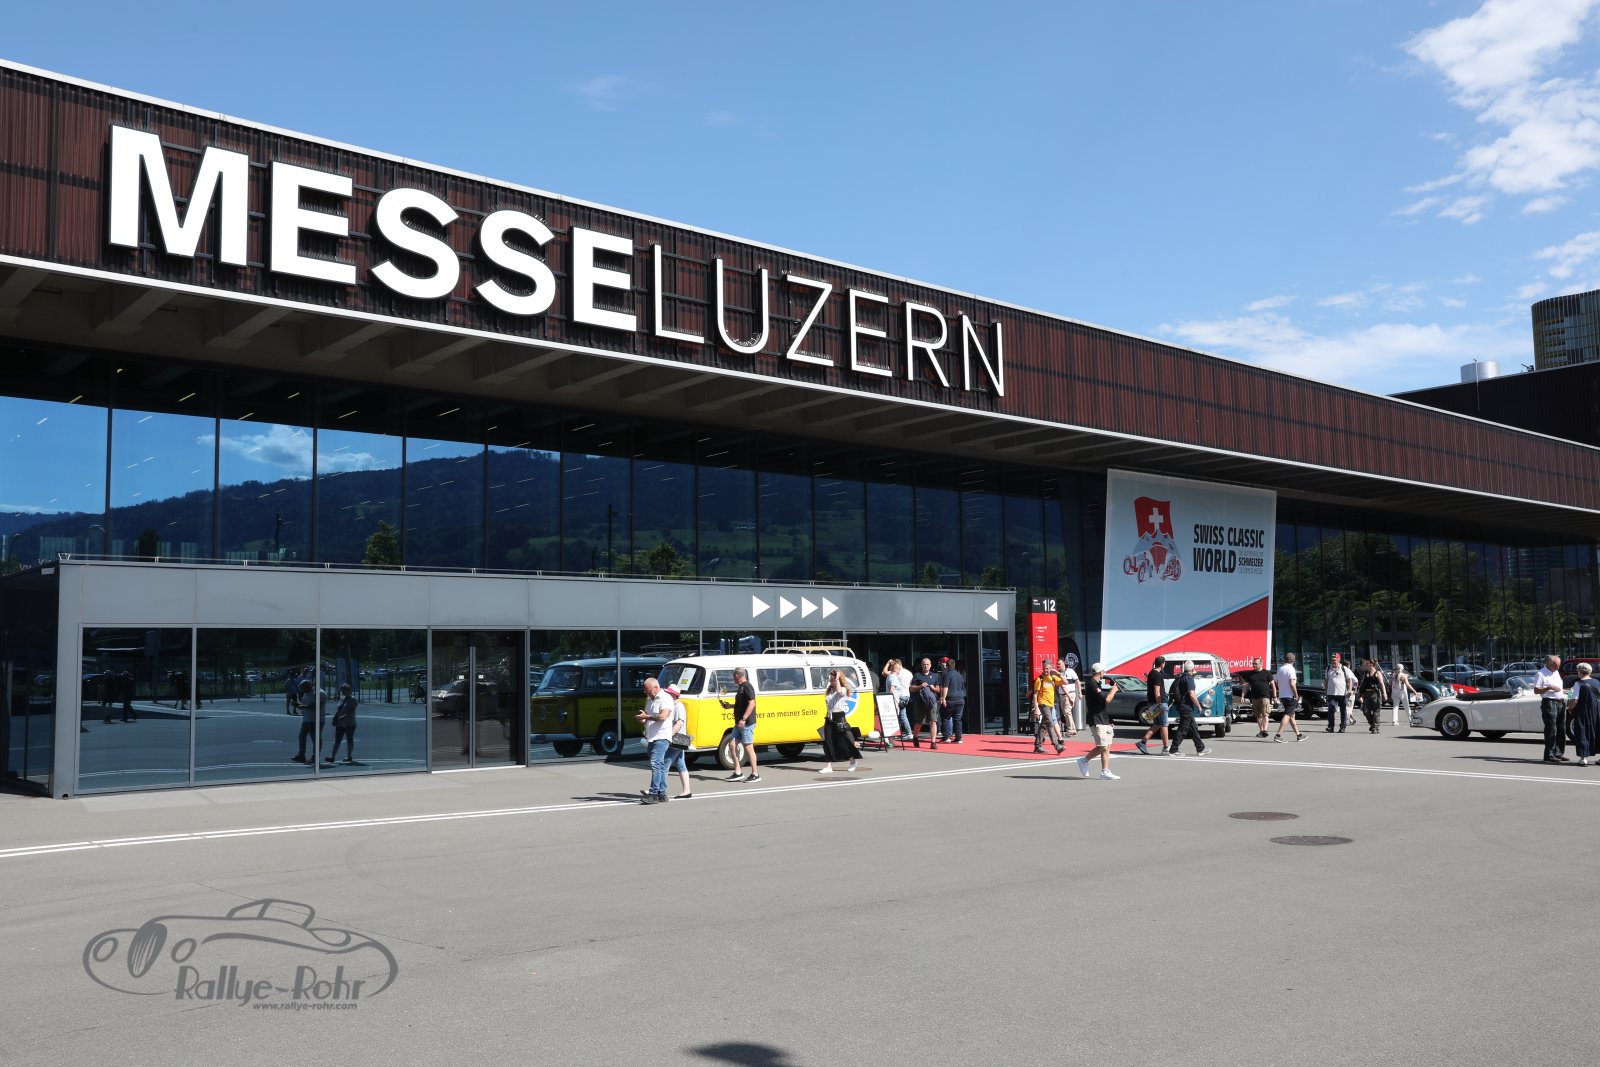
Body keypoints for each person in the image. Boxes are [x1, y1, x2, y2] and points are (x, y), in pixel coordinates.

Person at [1075, 663, 1120, 779]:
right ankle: (1084, 760)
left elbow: (1102, 703)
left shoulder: (1097, 684)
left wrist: (1109, 720)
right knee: (1103, 746)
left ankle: (1105, 771)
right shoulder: (1092, 684)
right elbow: (1107, 699)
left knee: (1107, 746)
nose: (1104, 673)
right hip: (1096, 719)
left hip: (1104, 718)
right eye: (1103, 671)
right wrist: (1114, 690)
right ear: (1100, 672)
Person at [636, 677, 676, 804]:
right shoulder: (650, 700)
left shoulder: (665, 698)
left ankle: (653, 794)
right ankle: (662, 794)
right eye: (645, 691)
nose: (647, 693)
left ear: (656, 687)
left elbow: (663, 716)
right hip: (652, 737)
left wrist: (647, 717)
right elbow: (648, 716)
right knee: (660, 765)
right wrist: (643, 719)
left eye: (648, 690)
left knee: (656, 764)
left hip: (661, 737)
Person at [719, 667, 761, 782]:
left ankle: (755, 774)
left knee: (748, 747)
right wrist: (730, 706)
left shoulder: (747, 686)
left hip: (746, 723)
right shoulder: (741, 687)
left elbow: (752, 703)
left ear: (737, 675)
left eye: (733, 676)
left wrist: (744, 718)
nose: (733, 678)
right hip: (738, 723)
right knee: (732, 745)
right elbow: (741, 704)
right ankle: (738, 772)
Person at [818, 668, 863, 774]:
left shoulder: (843, 690)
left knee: (842, 741)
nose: (830, 681)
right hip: (829, 717)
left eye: (832, 679)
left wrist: (837, 678)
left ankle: (852, 760)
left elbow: (839, 691)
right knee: (827, 741)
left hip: (839, 717)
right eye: (830, 679)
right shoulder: (830, 690)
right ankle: (829, 766)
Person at [1166, 660, 1209, 756]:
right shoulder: (1189, 679)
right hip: (1186, 707)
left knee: (1193, 728)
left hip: (1182, 706)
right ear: (1193, 669)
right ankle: (1173, 749)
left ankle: (1200, 748)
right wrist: (1198, 706)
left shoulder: (1181, 677)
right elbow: (1192, 694)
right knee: (1183, 729)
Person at [1534, 655, 1569, 764]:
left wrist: (1567, 691)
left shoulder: (1556, 672)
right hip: (1550, 702)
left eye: (1558, 665)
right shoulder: (1541, 674)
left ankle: (1558, 753)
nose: (1558, 667)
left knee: (1561, 729)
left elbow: (1558, 688)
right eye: (1556, 665)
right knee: (1551, 729)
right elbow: (1536, 690)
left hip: (1560, 702)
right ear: (1549, 664)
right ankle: (1549, 754)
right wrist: (1548, 688)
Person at [1135, 655, 1169, 756]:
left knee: (1157, 724)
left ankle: (1142, 742)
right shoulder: (1157, 675)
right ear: (1162, 664)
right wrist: (1160, 705)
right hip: (1158, 703)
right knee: (1164, 724)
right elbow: (1157, 691)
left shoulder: (1151, 673)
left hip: (1151, 702)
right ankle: (1166, 748)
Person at [1031, 656, 1065, 755]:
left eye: (1047, 668)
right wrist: (1036, 708)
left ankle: (1037, 746)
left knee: (1044, 725)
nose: (1045, 670)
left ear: (1051, 669)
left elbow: (1065, 682)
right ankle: (1057, 746)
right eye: (1044, 668)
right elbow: (1035, 694)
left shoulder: (1053, 678)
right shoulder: (1039, 679)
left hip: (1050, 705)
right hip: (1043, 704)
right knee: (1050, 723)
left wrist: (1058, 673)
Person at [664, 684, 693, 798]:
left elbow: (679, 723)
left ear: (673, 695)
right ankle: (687, 791)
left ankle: (658, 790)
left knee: (664, 764)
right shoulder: (673, 705)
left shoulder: (678, 706)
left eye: (668, 692)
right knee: (681, 764)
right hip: (678, 741)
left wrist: (668, 735)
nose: (666, 694)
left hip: (676, 740)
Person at [1567, 664, 1600, 766]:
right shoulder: (1597, 682)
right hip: (1596, 710)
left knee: (1582, 733)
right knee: (1597, 731)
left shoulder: (1578, 684)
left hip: (1583, 710)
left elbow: (1575, 700)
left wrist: (1570, 708)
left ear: (1580, 672)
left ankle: (1583, 758)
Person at [909, 656, 942, 749]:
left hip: (932, 702)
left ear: (930, 665)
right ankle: (915, 737)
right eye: (924, 664)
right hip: (920, 701)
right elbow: (911, 688)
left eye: (927, 664)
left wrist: (934, 688)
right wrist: (920, 686)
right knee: (919, 722)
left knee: (933, 721)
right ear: (921, 665)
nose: (926, 666)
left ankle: (933, 742)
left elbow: (938, 689)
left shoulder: (935, 676)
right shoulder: (917, 675)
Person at [1239, 657, 1276, 738]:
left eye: (1256, 663)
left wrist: (1275, 696)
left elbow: (1273, 685)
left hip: (1265, 697)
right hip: (1255, 697)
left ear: (1261, 664)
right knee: (1258, 715)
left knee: (1265, 714)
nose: (1254, 665)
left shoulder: (1267, 673)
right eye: (1253, 663)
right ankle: (1261, 731)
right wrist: (1242, 696)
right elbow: (1246, 686)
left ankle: (1265, 730)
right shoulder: (1251, 674)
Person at [1274, 653, 1305, 742]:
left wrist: (1281, 689)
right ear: (1293, 660)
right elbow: (1292, 683)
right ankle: (1278, 735)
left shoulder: (1280, 669)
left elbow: (1277, 682)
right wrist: (1296, 694)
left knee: (1291, 715)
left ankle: (1298, 735)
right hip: (1290, 696)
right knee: (1288, 715)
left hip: (1282, 695)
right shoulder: (1291, 669)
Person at [325, 683, 358, 764]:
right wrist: (334, 718)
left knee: (349, 739)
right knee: (337, 739)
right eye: (342, 690)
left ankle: (349, 756)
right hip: (340, 722)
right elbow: (338, 709)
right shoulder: (342, 698)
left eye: (344, 690)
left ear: (349, 690)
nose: (342, 691)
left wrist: (343, 717)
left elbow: (351, 711)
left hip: (350, 722)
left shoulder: (353, 700)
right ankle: (332, 756)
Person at [1324, 653, 1355, 733]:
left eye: (1335, 660)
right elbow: (1326, 680)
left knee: (1343, 710)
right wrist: (1326, 691)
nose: (1333, 661)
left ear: (1339, 659)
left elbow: (1349, 680)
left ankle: (1342, 726)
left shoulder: (1344, 668)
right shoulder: (1328, 668)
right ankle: (1331, 726)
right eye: (1332, 660)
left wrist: (1349, 690)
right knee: (1331, 708)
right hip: (1331, 693)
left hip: (1342, 693)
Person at [939, 657, 967, 744]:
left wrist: (943, 698)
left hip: (950, 699)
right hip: (960, 699)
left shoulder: (946, 674)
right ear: (954, 665)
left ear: (947, 665)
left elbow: (945, 687)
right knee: (958, 719)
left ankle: (946, 737)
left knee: (945, 718)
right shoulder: (959, 675)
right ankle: (959, 738)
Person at [882, 658, 912, 739]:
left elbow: (884, 672)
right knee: (901, 715)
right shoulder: (908, 673)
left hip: (899, 696)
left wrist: (888, 663)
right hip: (906, 695)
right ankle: (900, 732)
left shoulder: (893, 675)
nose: (899, 670)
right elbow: (910, 684)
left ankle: (902, 732)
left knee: (900, 715)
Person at [291, 679, 319, 764]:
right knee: (302, 737)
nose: (302, 690)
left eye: (303, 688)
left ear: (307, 686)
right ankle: (301, 755)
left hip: (312, 719)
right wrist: (297, 704)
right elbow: (304, 705)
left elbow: (313, 706)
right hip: (306, 719)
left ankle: (314, 756)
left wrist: (301, 706)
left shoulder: (314, 693)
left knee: (314, 739)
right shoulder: (306, 693)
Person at [1357, 659, 1389, 733]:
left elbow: (1381, 684)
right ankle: (1372, 724)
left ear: (1371, 665)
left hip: (1375, 693)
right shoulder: (1366, 673)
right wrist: (1360, 694)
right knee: (1365, 711)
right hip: (1366, 693)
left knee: (1376, 711)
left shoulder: (1377, 673)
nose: (1365, 666)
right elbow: (1362, 684)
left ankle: (1375, 727)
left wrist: (1384, 694)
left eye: (1367, 664)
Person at [1058, 659, 1082, 737]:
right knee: (1065, 713)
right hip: (1062, 695)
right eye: (1057, 664)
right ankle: (1073, 729)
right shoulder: (1058, 674)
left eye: (1059, 664)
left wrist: (1079, 692)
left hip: (1070, 693)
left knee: (1067, 711)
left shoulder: (1070, 671)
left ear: (1064, 664)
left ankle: (1071, 730)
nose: (1058, 666)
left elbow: (1077, 681)